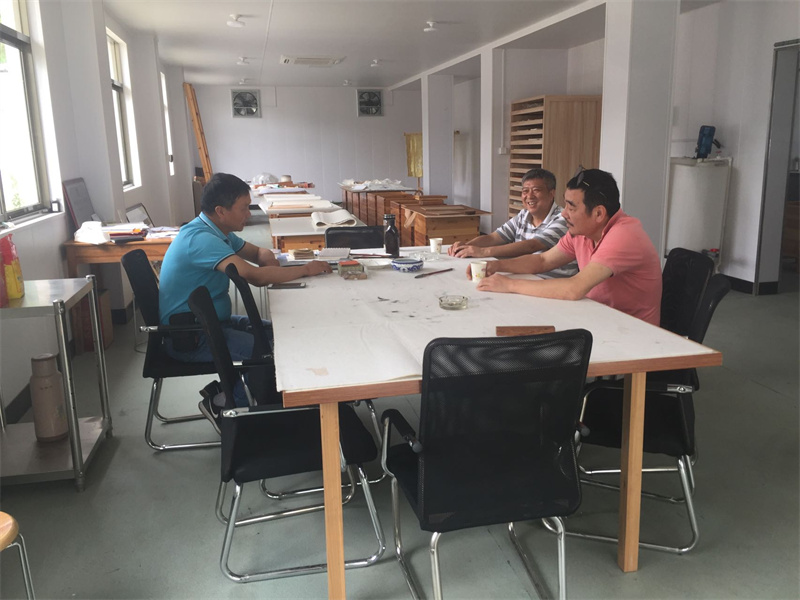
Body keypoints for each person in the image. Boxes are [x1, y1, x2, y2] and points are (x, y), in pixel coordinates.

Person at [159, 172, 332, 407]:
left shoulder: (217, 232)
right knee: (270, 351)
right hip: (192, 336)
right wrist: (305, 269)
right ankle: (225, 405)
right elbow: (255, 276)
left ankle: (238, 392)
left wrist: (268, 261)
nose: (249, 214)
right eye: (243, 208)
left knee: (282, 334)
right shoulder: (201, 239)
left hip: (215, 323)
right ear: (221, 211)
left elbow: (259, 252)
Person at [473, 168, 662, 325]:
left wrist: (510, 284)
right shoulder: (581, 232)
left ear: (598, 213)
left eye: (571, 208)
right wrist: (496, 265)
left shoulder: (623, 235)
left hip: (632, 333)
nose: (564, 214)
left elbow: (574, 288)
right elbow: (542, 260)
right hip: (596, 317)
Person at [448, 168, 577, 278]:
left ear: (551, 193)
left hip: (550, 282)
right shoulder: (523, 215)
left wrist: (483, 252)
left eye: (536, 190)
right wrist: (465, 247)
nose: (529, 196)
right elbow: (494, 237)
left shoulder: (563, 218)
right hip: (525, 277)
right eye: (525, 191)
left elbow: (532, 246)